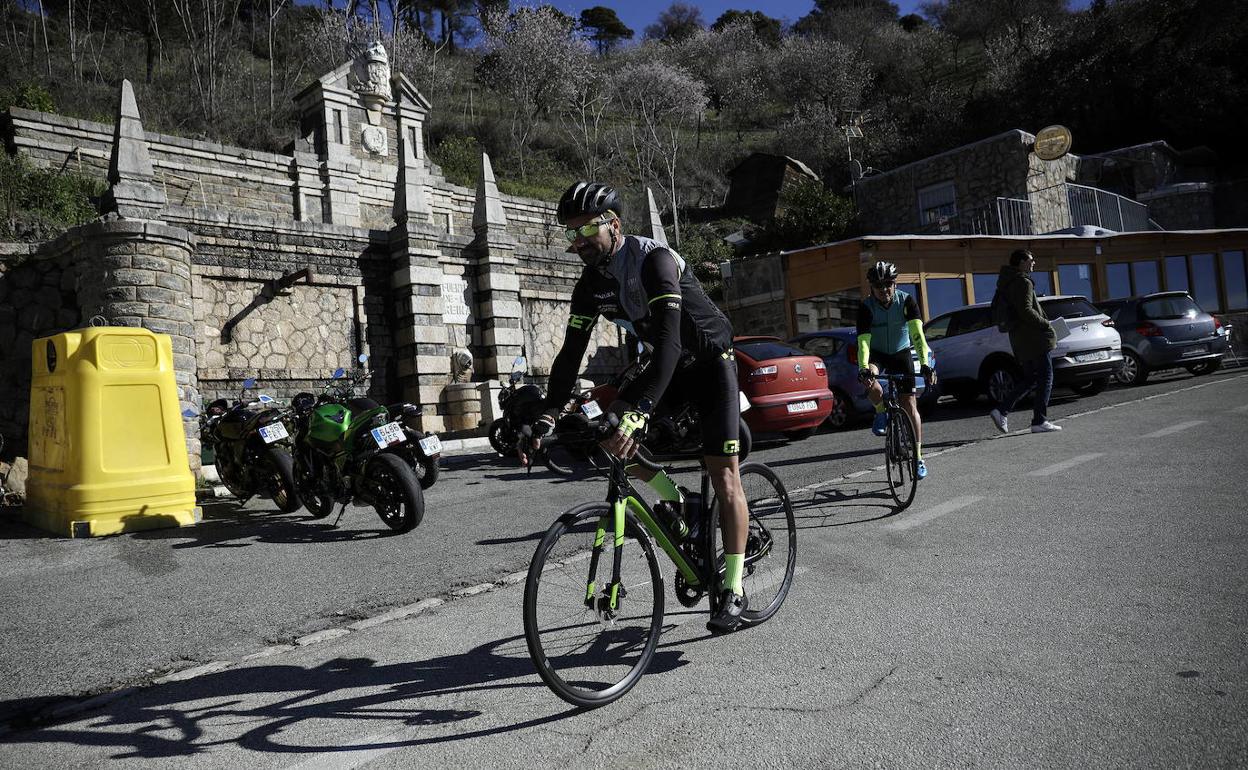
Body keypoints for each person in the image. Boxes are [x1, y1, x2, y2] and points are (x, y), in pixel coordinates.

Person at [523, 181, 752, 634]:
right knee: (610, 437)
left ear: (614, 225)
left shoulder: (655, 261)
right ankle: (676, 497)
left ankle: (734, 586)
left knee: (724, 473)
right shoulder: (590, 285)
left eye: (588, 227)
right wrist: (546, 414)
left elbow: (669, 342)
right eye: (572, 232)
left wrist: (641, 410)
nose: (580, 240)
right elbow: (570, 355)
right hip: (666, 365)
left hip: (707, 361)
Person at [855, 261, 936, 479]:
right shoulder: (866, 307)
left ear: (895, 283)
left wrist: (925, 363)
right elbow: (863, 342)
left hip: (901, 353)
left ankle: (918, 456)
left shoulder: (907, 301)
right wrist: (864, 368)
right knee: (869, 378)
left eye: (888, 284)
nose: (884, 290)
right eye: (878, 286)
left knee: (910, 404)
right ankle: (881, 410)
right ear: (871, 287)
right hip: (877, 354)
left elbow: (918, 335)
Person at [989, 249, 1061, 434]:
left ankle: (1001, 410)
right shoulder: (1022, 281)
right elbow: (1026, 310)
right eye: (1030, 260)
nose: (1033, 263)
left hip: (1020, 339)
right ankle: (1039, 420)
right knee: (1046, 377)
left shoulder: (1006, 282)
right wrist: (1046, 324)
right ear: (1021, 262)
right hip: (1034, 338)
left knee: (1030, 379)